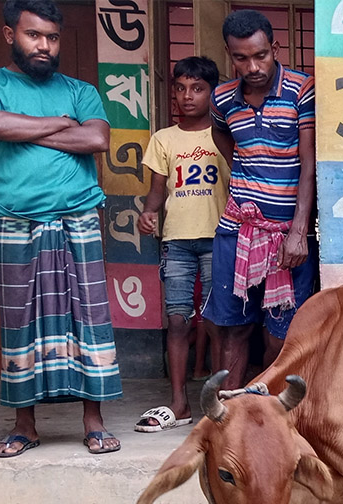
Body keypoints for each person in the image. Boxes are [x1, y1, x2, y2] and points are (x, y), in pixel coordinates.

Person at [0, 0, 122, 457]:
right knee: (20, 321)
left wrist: (25, 130)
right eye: (33, 35)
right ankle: (25, 426)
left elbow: (97, 138)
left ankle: (94, 421)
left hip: (77, 216)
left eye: (52, 37)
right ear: (10, 36)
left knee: (90, 319)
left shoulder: (81, 90)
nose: (44, 45)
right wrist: (61, 125)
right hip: (16, 220)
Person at [204, 10, 317, 391]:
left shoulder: (302, 89)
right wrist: (249, 170)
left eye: (260, 55)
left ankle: (262, 405)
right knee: (233, 329)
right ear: (228, 54)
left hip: (287, 234)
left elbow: (308, 164)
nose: (252, 66)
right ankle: (226, 416)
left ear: (275, 48)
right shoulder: (221, 98)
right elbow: (225, 143)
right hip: (237, 230)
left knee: (280, 337)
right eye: (241, 58)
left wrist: (299, 231)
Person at [134, 56, 229, 431]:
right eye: (181, 88)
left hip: (218, 237)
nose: (188, 96)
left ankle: (219, 401)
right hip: (177, 241)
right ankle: (180, 402)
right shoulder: (163, 138)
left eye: (198, 89)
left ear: (212, 92)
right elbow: (157, 191)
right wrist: (147, 213)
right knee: (177, 321)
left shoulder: (223, 134)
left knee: (219, 324)